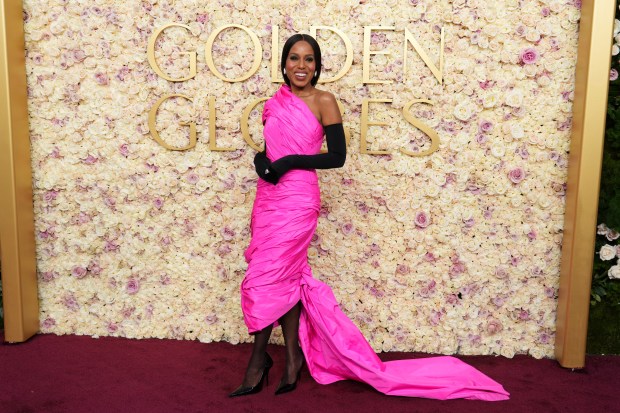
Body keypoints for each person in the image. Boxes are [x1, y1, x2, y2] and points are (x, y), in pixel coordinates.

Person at [229, 34, 509, 401]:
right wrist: (261, 162)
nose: (301, 66)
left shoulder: (325, 101)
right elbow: (269, 149)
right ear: (284, 64)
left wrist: (290, 162)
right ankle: (293, 358)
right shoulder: (273, 103)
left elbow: (337, 156)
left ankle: (257, 362)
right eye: (294, 58)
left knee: (272, 274)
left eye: (309, 59)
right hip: (268, 198)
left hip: (298, 199)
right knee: (281, 274)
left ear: (317, 65)